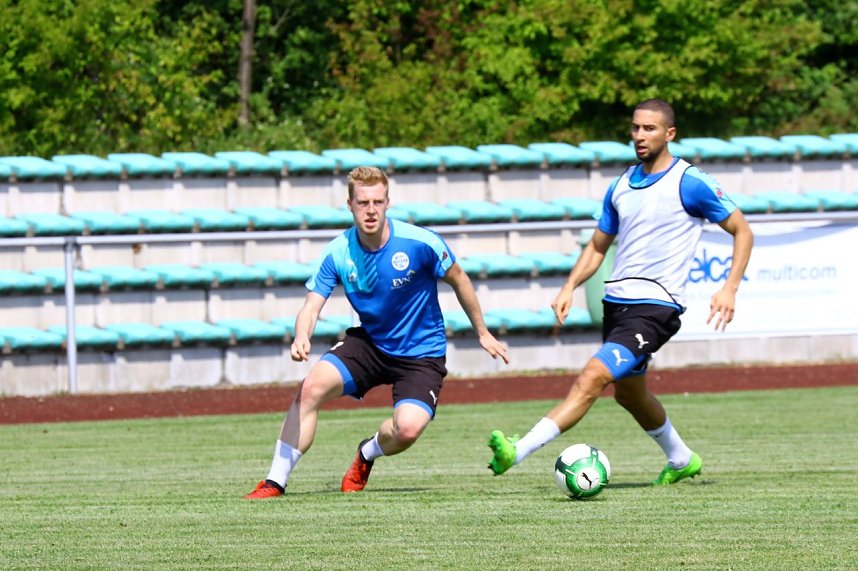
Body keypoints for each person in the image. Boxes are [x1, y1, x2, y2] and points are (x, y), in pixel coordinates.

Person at [487, 98, 754, 485]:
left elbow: (742, 230)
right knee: (629, 394)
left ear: (670, 134)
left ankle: (518, 449)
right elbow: (598, 246)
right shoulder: (621, 185)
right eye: (635, 128)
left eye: (649, 128)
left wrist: (729, 288)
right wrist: (569, 286)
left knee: (593, 376)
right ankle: (682, 459)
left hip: (656, 308)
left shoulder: (689, 181)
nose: (640, 136)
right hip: (618, 306)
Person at [245, 165, 509, 498]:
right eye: (363, 202)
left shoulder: (419, 242)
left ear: (387, 203)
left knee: (408, 429)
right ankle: (274, 482)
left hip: (421, 353)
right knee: (311, 387)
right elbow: (311, 306)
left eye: (377, 202)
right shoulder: (338, 252)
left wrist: (482, 332)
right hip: (370, 343)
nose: (371, 210)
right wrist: (302, 336)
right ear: (350, 204)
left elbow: (460, 279)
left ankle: (366, 453)